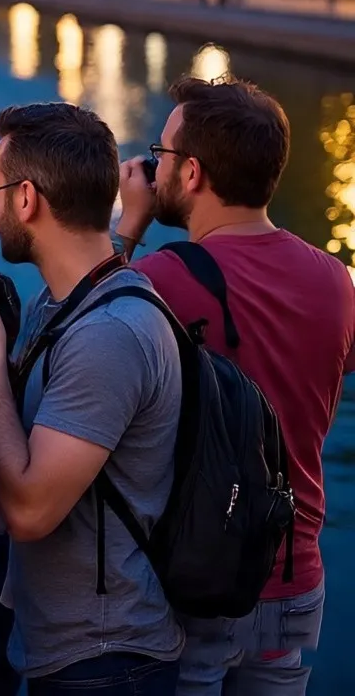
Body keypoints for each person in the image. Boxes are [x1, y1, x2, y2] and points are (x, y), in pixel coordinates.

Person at [117, 75, 355, 694]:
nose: (152, 165)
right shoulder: (336, 282)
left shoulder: (160, 280)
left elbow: (92, 338)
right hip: (295, 575)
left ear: (192, 173)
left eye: (161, 155)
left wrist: (130, 227)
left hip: (201, 575)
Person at [0, 102, 183, 696]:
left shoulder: (108, 335)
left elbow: (27, 512)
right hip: (70, 648)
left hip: (109, 662)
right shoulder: (67, 302)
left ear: (27, 198)